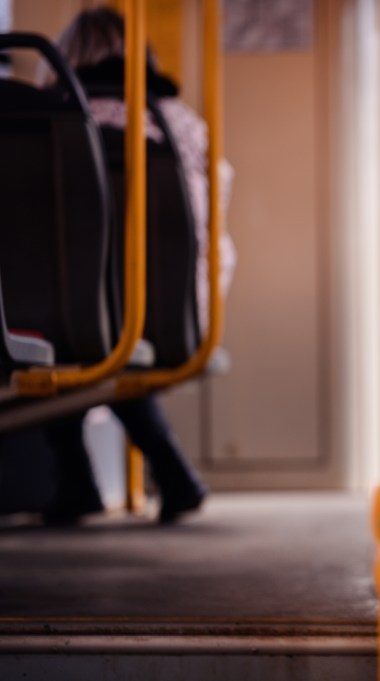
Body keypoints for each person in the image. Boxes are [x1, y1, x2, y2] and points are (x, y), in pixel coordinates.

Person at [41, 7, 236, 525]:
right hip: (169, 309)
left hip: (64, 310)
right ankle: (165, 475)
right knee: (115, 338)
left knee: (69, 340)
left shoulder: (47, 122)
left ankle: (79, 481)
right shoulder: (178, 123)